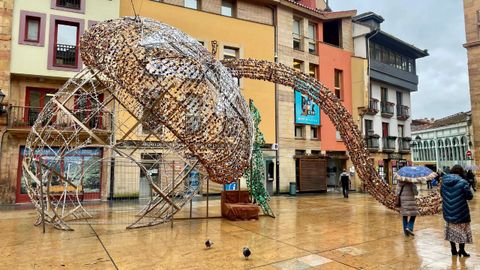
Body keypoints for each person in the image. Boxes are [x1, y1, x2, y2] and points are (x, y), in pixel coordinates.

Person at [441, 165, 473, 257]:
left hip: (448, 210)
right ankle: (462, 250)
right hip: (461, 210)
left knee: (451, 230)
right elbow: (469, 197)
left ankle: (453, 250)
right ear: (461, 172)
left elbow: (442, 194)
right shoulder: (463, 182)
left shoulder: (444, 182)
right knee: (462, 231)